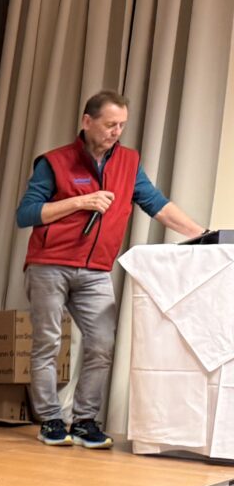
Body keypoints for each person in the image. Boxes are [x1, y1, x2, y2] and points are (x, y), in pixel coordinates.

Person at [15, 89, 206, 449]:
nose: (116, 132)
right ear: (87, 121)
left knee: (102, 343)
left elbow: (157, 205)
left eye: (121, 125)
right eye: (109, 124)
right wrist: (80, 202)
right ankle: (51, 419)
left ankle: (84, 421)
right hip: (50, 265)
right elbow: (26, 214)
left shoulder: (129, 163)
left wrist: (204, 234)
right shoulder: (54, 162)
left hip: (96, 271)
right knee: (48, 343)